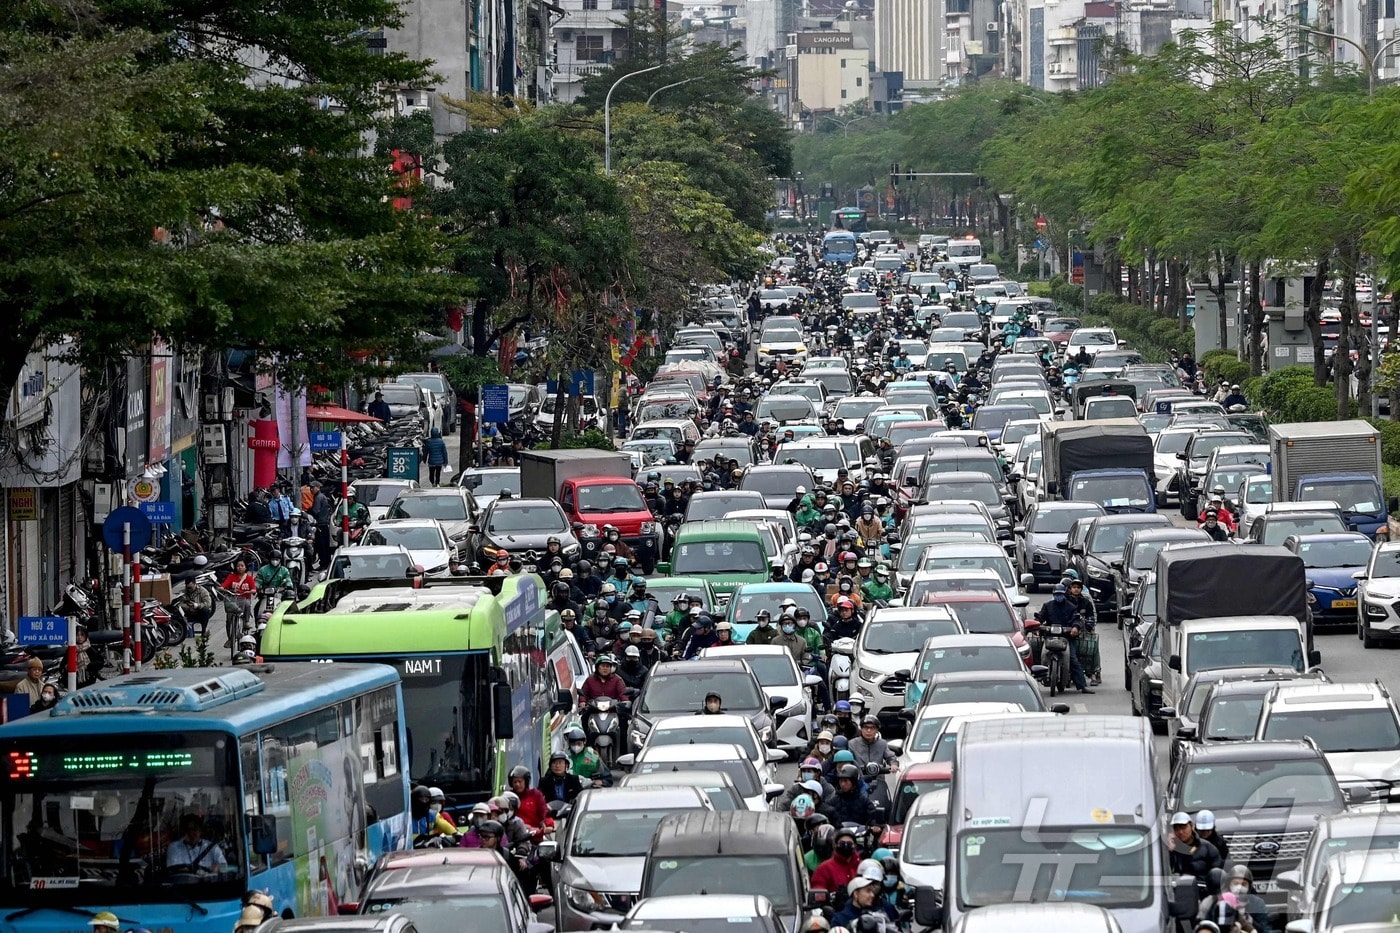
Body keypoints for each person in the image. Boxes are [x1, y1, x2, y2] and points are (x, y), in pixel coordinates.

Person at [1034, 584, 1094, 694]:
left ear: (1064, 594)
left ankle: (1082, 686)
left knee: (1073, 659)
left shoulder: (1071, 607)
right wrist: (1036, 625)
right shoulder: (1047, 606)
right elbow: (1040, 617)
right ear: (1053, 594)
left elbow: (1076, 619)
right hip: (1050, 637)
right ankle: (1033, 682)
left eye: (1060, 594)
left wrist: (1075, 627)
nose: (1058, 596)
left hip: (1066, 638)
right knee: (1039, 654)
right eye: (1056, 594)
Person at [1167, 811, 1223, 882]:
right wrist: (1169, 852)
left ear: (1191, 826)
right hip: (1178, 888)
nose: (1180, 832)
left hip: (1202, 889)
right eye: (1176, 828)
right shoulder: (1171, 849)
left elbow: (1217, 874)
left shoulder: (1208, 848)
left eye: (1183, 827)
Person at [812, 826, 865, 895]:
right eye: (842, 843)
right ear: (835, 845)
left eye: (849, 844)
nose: (846, 846)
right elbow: (818, 890)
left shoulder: (863, 866)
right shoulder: (824, 868)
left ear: (854, 846)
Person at [831, 875, 899, 929]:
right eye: (868, 891)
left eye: (872, 891)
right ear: (856, 894)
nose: (872, 895)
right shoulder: (840, 919)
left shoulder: (879, 915)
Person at [508, 766, 553, 838]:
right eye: (515, 782)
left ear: (526, 782)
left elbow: (544, 813)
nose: (517, 784)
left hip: (534, 836)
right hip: (514, 837)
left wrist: (548, 825)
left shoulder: (535, 795)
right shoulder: (508, 796)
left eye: (520, 781)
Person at [221, 558, 257, 639]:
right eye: (238, 566)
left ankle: (246, 622)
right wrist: (222, 588)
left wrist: (250, 591)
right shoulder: (231, 576)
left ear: (245, 567)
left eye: (242, 566)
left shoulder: (249, 578)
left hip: (244, 599)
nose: (240, 567)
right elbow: (224, 585)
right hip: (233, 600)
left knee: (247, 604)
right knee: (229, 618)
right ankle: (230, 638)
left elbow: (254, 589)